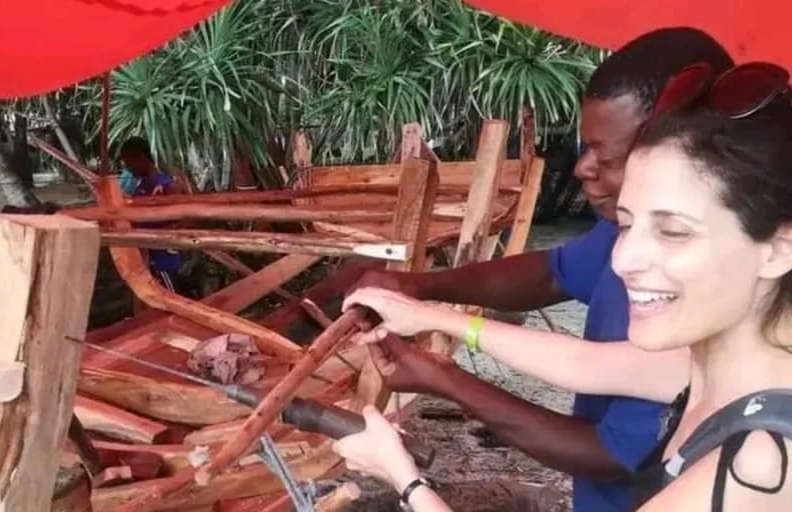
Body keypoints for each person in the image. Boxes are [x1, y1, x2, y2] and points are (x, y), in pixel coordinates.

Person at [335, 60, 792, 511]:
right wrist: (429, 313)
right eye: (627, 225)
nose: (623, 259)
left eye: (673, 231)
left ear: (777, 249)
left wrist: (404, 478)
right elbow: (585, 364)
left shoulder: (760, 462)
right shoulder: (719, 364)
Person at [118, 136, 188, 294]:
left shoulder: (165, 186)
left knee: (171, 303)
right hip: (153, 259)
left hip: (166, 259)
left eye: (129, 163)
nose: (128, 169)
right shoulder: (142, 186)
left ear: (141, 158)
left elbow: (185, 219)